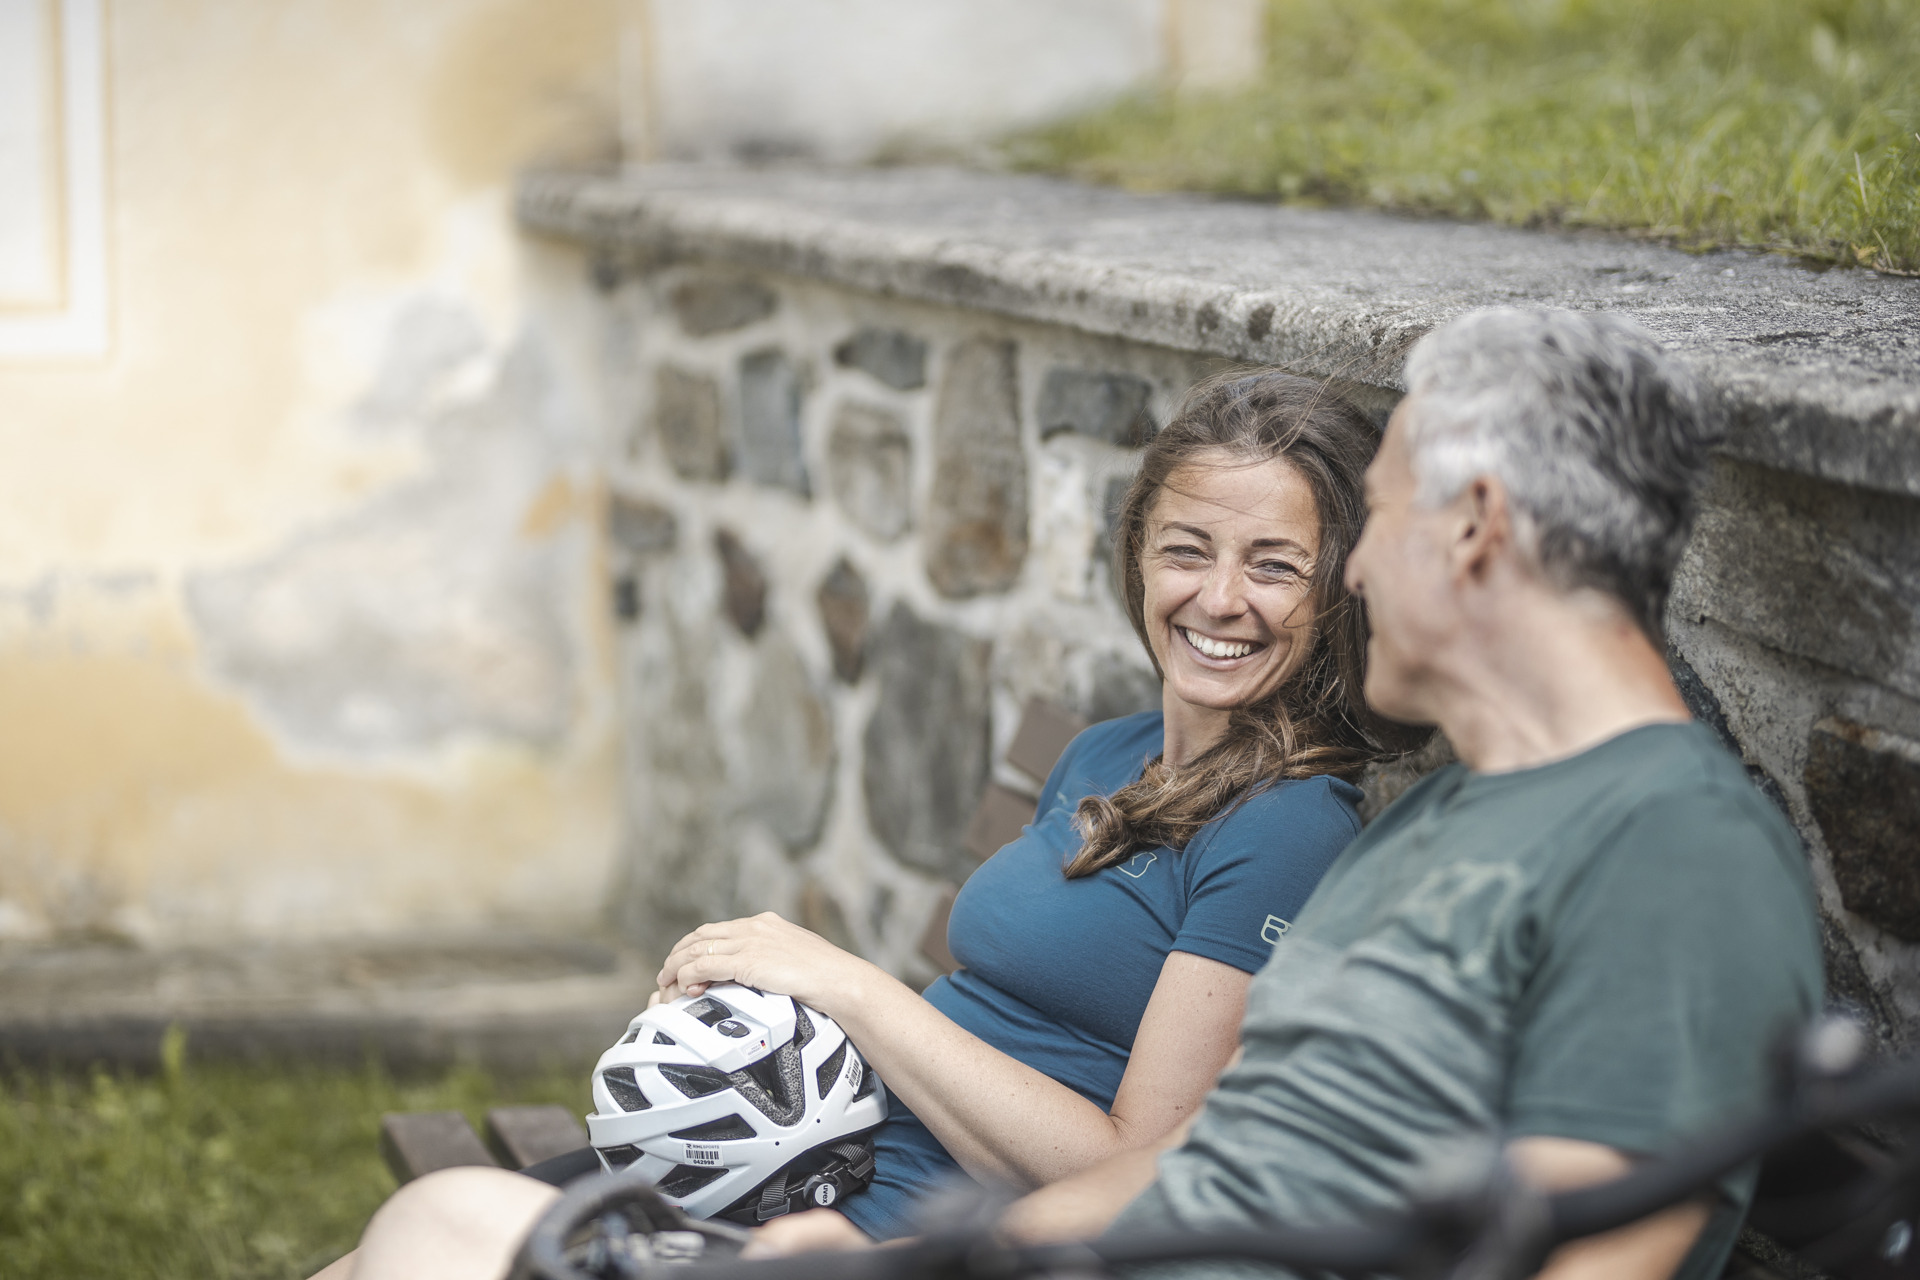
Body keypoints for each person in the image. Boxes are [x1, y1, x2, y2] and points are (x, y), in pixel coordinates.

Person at [746, 307, 1826, 1280]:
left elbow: (1605, 1241)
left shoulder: (1671, 842)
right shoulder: (1439, 826)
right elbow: (1202, 1158)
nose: (1350, 579)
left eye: (1379, 520)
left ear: (1473, 525)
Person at [330, 368, 1416, 1279]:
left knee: (443, 1228)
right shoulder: (1102, 751)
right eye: (1188, 548)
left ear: (1336, 594)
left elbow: (1136, 1163)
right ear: (1137, 554)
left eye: (1275, 564)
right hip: (803, 1158)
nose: (1221, 598)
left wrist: (845, 983)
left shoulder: (1287, 825)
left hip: (910, 1234)